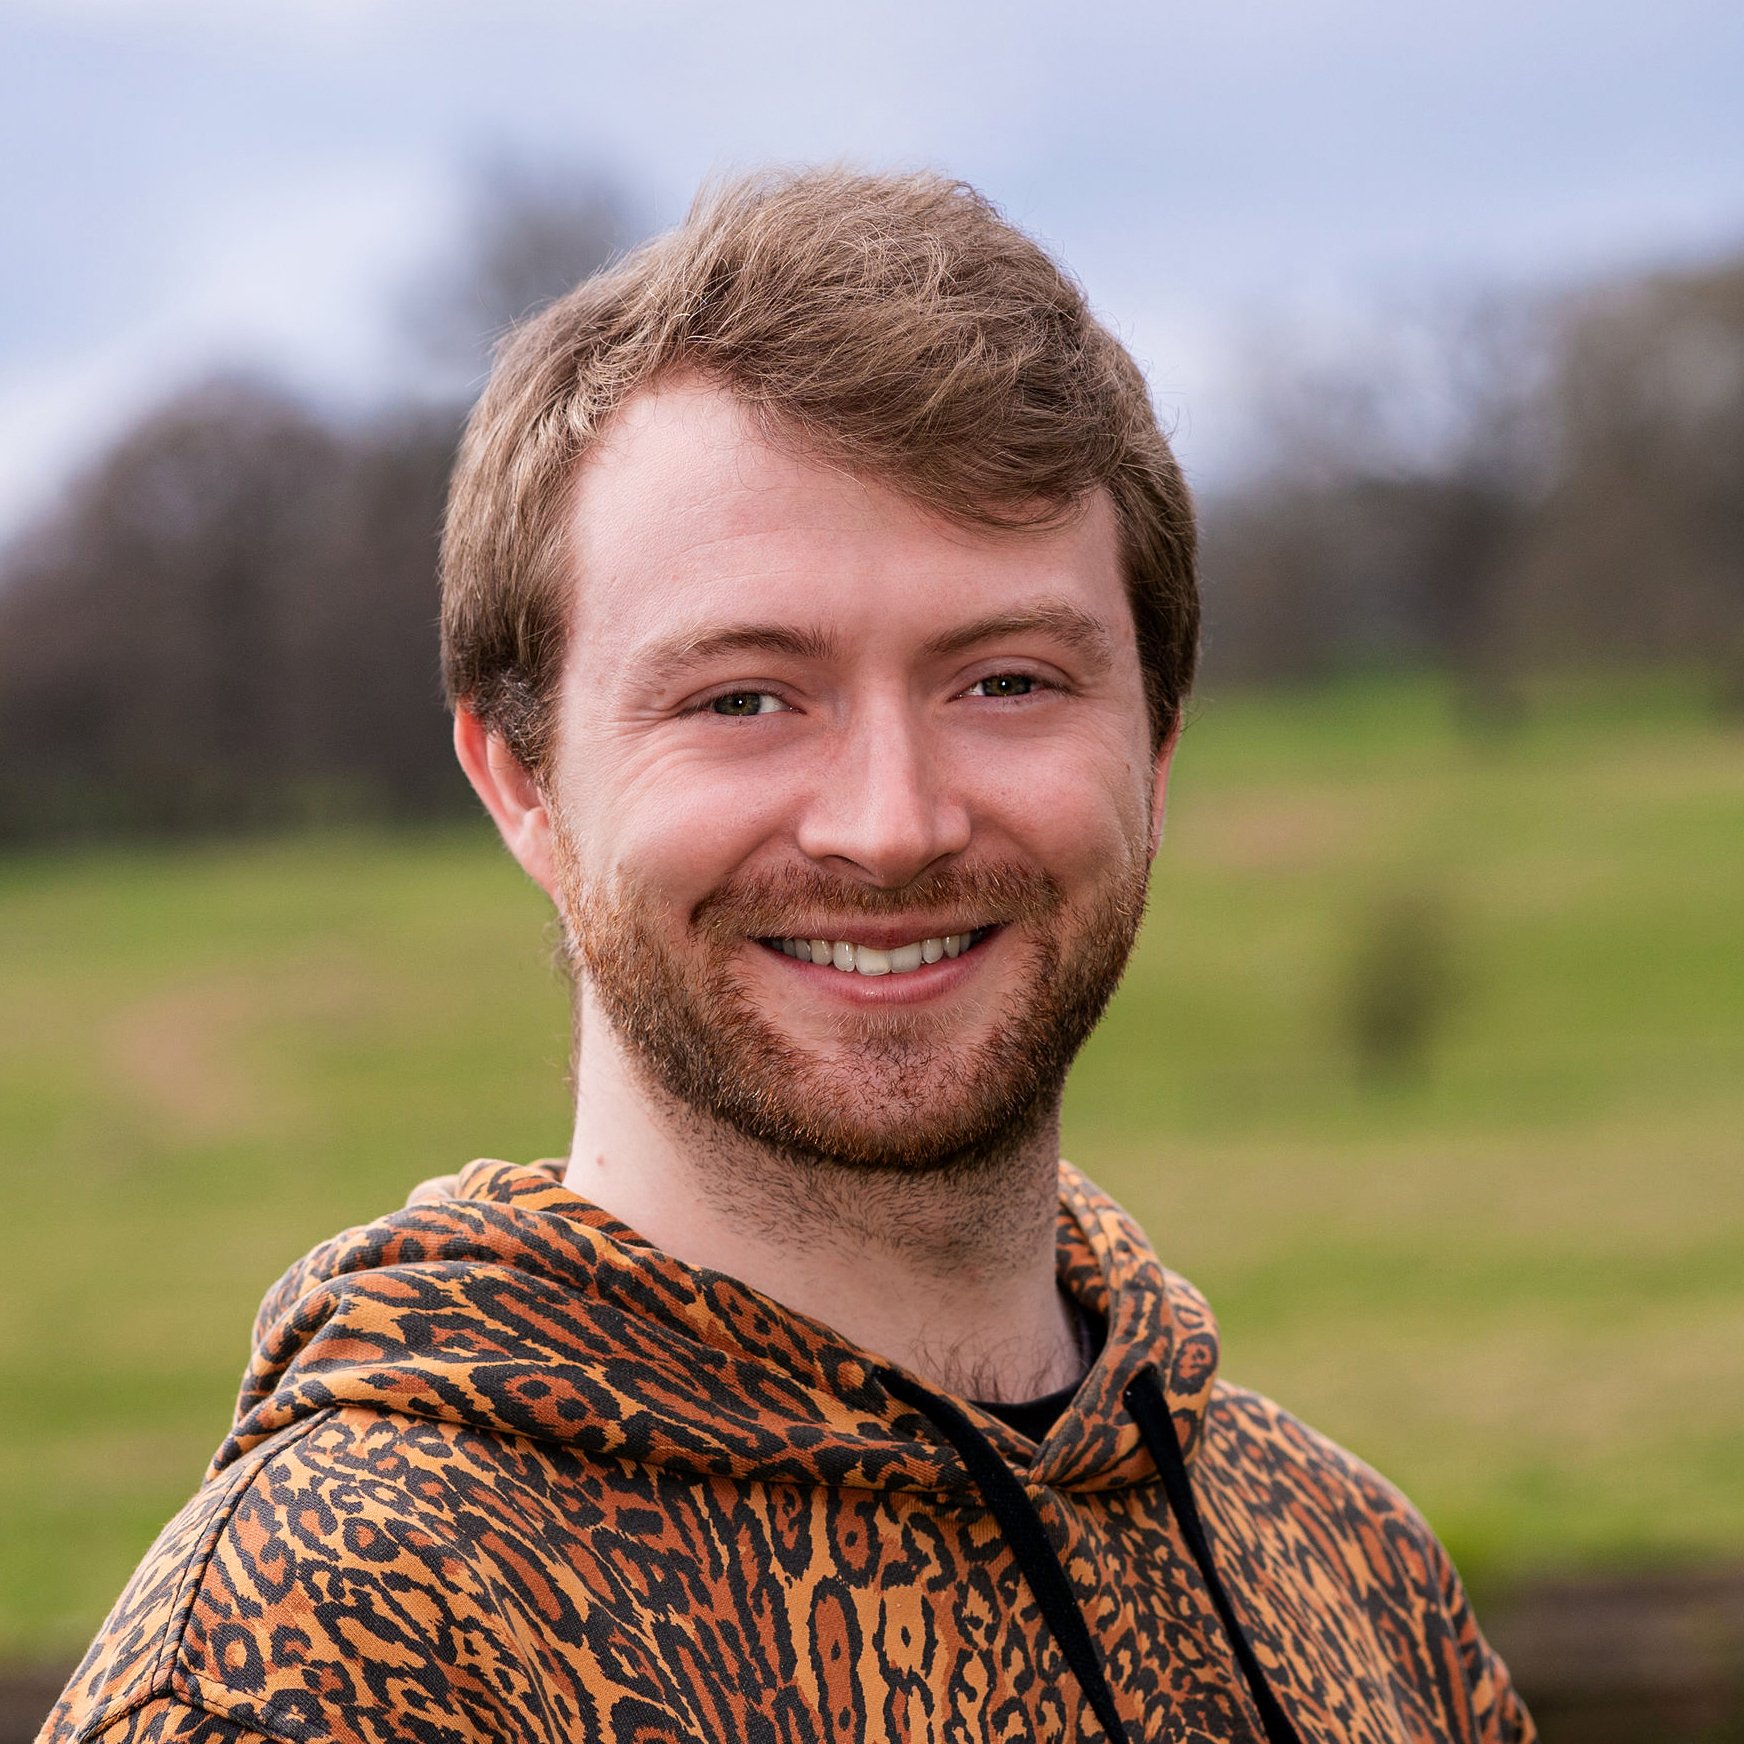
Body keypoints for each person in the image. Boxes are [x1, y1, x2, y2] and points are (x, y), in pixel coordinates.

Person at [43, 169, 1534, 1744]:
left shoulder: (1350, 1574)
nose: (891, 828)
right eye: (744, 699)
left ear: (1154, 749)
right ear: (523, 783)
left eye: (1008, 682)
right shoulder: (322, 1652)